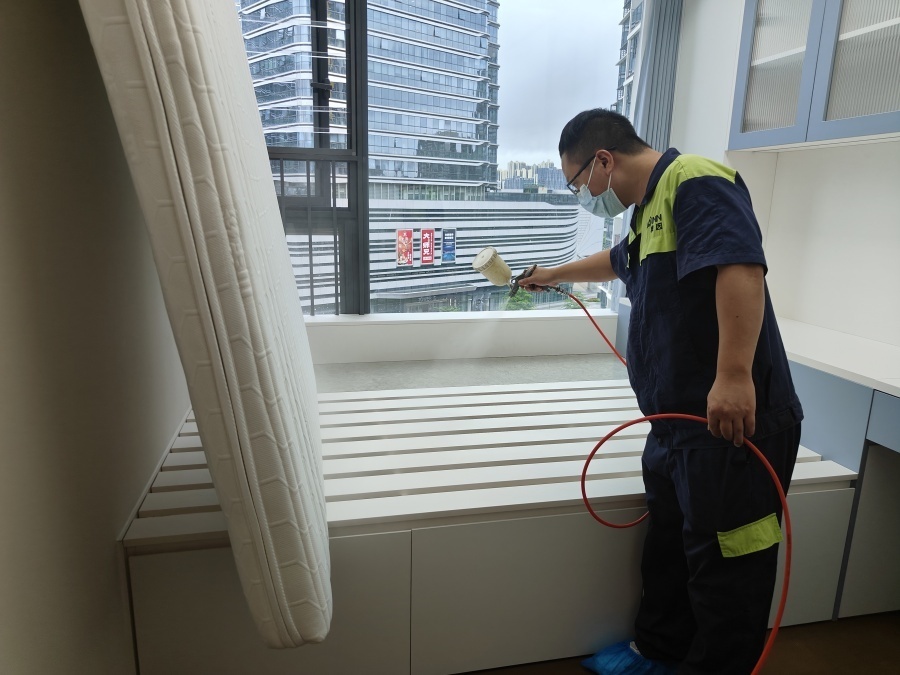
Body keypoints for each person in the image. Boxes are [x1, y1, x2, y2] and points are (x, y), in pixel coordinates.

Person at [520, 109, 803, 675]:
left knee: (728, 567)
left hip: (731, 426)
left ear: (603, 161)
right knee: (670, 547)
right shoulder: (647, 213)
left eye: (578, 183)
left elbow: (741, 266)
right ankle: (658, 651)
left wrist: (734, 376)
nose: (584, 196)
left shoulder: (695, 181)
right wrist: (551, 274)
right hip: (677, 425)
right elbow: (616, 262)